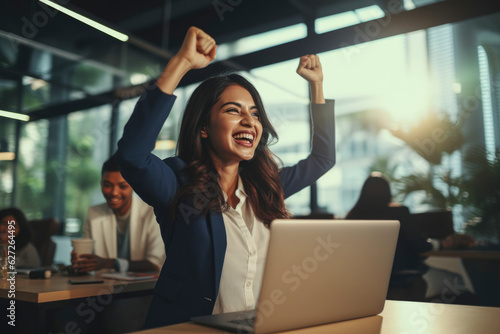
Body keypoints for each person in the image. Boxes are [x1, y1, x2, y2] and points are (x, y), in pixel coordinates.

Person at [116, 26, 336, 328]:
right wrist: (181, 62)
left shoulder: (266, 187)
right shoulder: (178, 183)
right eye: (234, 111)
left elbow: (322, 159)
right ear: (204, 127)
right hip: (191, 328)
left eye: (255, 113)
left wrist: (317, 87)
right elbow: (131, 155)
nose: (249, 121)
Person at [346, 172, 476, 300]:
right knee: (457, 281)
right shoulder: (398, 213)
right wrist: (444, 243)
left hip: (366, 282)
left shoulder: (352, 218)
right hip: (406, 277)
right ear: (388, 192)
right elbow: (420, 245)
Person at [71, 155, 165, 273]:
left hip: (144, 288)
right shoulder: (94, 213)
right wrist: (82, 261)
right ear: (101, 184)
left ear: (133, 185)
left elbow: (155, 264)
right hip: (104, 287)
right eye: (107, 185)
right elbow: (89, 257)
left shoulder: (151, 213)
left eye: (122, 186)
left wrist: (109, 263)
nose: (114, 193)